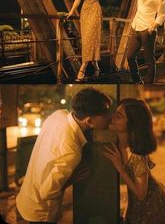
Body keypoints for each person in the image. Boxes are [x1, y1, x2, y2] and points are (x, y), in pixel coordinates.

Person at [16, 87, 112, 224]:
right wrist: (72, 178)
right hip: (41, 213)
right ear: (89, 121)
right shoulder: (71, 151)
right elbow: (47, 192)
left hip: (26, 197)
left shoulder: (58, 115)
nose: (109, 117)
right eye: (105, 114)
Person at [104, 98, 165, 224]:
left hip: (153, 203)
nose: (112, 117)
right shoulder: (120, 144)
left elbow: (141, 194)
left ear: (132, 124)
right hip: (138, 203)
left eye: (118, 116)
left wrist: (120, 167)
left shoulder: (137, 156)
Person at [108, 0, 165, 85]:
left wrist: (153, 27)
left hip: (148, 30)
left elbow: (162, 14)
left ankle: (149, 83)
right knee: (130, 56)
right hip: (135, 28)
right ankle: (137, 81)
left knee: (149, 59)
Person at [66, 0, 120, 82]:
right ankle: (96, 67)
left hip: (95, 10)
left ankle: (83, 68)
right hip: (85, 12)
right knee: (86, 40)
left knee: (92, 38)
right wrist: (71, 11)